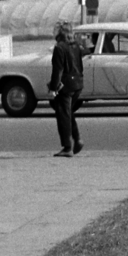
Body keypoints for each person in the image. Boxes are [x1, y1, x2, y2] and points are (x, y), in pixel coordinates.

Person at [47, 22, 84, 158]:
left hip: (65, 85)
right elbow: (79, 66)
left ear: (59, 33)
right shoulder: (76, 46)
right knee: (68, 112)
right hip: (78, 84)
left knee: (63, 115)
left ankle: (67, 147)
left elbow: (58, 70)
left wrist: (53, 88)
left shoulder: (59, 48)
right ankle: (77, 139)